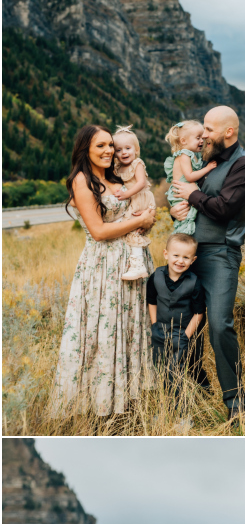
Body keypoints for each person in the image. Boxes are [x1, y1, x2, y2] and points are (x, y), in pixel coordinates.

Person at [49, 122, 156, 420]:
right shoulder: (81, 181)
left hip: (133, 263)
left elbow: (141, 207)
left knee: (131, 329)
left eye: (111, 144)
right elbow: (98, 231)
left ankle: (130, 400)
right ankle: (99, 406)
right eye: (101, 146)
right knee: (103, 333)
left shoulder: (117, 176)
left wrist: (147, 218)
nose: (109, 150)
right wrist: (138, 221)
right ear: (85, 149)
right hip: (103, 268)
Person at [169, 106, 245, 422]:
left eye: (209, 128)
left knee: (220, 325)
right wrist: (177, 210)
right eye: (202, 129)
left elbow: (222, 209)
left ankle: (236, 404)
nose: (203, 134)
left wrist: (193, 195)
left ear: (228, 132)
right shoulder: (203, 159)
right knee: (181, 324)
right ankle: (193, 392)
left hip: (221, 254)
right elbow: (185, 197)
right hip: (187, 255)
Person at [146, 231, 209, 389]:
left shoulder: (194, 282)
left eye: (186, 257)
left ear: (193, 260)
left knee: (189, 365)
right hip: (161, 331)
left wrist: (185, 337)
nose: (180, 261)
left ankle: (203, 390)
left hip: (185, 332)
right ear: (166, 254)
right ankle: (170, 401)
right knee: (163, 366)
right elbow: (152, 302)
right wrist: (155, 325)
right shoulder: (156, 277)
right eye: (176, 255)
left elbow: (199, 313)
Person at [111, 126, 158, 281]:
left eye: (128, 148)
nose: (124, 152)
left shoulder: (137, 163)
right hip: (133, 198)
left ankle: (138, 265)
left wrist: (125, 194)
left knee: (133, 229)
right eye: (119, 150)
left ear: (136, 150)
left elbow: (141, 183)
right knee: (131, 227)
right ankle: (135, 262)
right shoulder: (117, 167)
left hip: (140, 197)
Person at [165, 120, 217, 235]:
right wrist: (207, 168)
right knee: (185, 219)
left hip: (185, 192)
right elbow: (189, 176)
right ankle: (182, 241)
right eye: (197, 138)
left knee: (187, 218)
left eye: (202, 138)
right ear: (183, 141)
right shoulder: (184, 155)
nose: (201, 140)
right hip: (180, 195)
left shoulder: (193, 154)